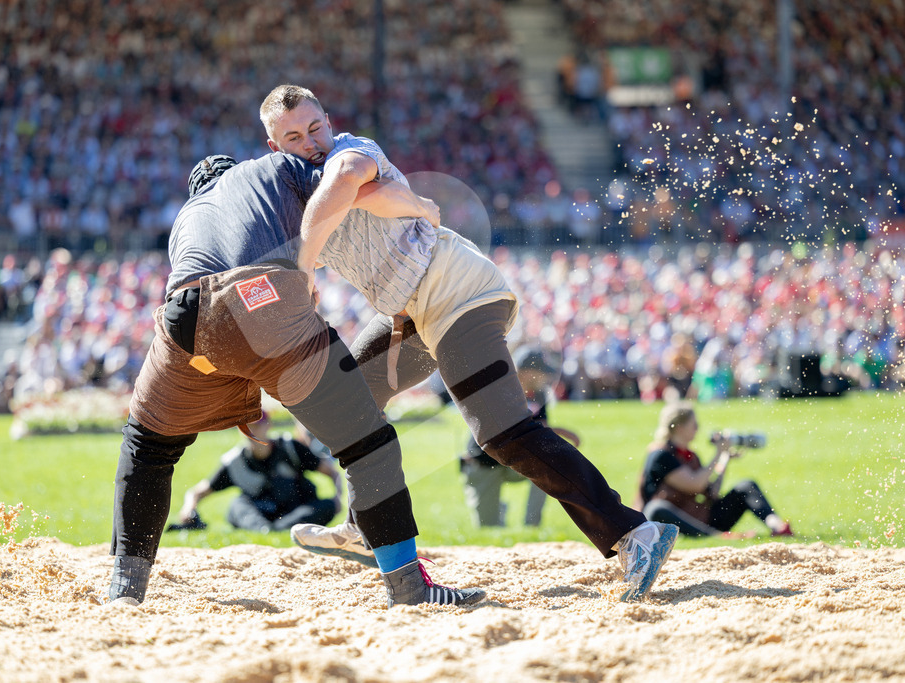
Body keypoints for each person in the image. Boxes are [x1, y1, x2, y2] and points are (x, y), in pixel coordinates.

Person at [260, 84, 677, 602]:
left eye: (315, 128)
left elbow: (345, 180)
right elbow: (331, 216)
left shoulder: (349, 151)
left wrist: (307, 264)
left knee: (503, 433)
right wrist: (400, 203)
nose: (310, 142)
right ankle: (367, 525)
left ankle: (634, 532)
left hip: (458, 294)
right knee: (351, 400)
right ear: (275, 147)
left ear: (329, 121)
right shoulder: (304, 199)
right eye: (294, 138)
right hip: (412, 313)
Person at [107, 151, 484, 608]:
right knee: (368, 444)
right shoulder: (273, 169)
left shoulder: (185, 218)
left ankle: (125, 590)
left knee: (146, 448)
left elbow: (211, 297)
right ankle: (409, 588)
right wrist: (421, 205)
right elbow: (354, 186)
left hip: (185, 318)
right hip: (263, 300)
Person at [459, 346, 581, 528]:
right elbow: (507, 429)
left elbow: (541, 429)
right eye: (541, 372)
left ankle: (532, 524)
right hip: (483, 463)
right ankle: (498, 507)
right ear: (526, 372)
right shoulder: (497, 389)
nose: (545, 377)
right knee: (488, 526)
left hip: (513, 459)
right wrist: (562, 432)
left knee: (548, 465)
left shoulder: (538, 394)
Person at [634, 402, 794, 538]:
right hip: (670, 519)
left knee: (746, 486)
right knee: (656, 508)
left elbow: (712, 493)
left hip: (699, 517)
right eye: (694, 425)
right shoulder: (661, 455)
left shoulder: (691, 456)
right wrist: (717, 454)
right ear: (680, 428)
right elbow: (694, 484)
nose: (697, 429)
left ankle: (777, 526)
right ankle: (716, 536)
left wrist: (724, 458)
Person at [166, 412, 342, 533]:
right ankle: (268, 530)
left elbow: (332, 473)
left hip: (296, 508)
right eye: (246, 427)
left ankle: (276, 529)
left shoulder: (290, 447)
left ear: (268, 425)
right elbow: (197, 492)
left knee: (327, 505)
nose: (251, 431)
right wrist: (188, 510)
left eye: (257, 425)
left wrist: (338, 497)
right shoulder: (234, 462)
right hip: (261, 513)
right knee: (237, 506)